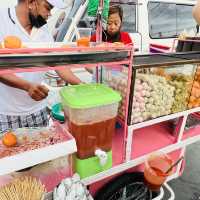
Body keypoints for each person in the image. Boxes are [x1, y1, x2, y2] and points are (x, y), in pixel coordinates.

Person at [0, 0, 82, 133]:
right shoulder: (2, 20)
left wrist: (81, 85)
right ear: (31, 2)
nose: (49, 15)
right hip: (6, 113)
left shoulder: (43, 31)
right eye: (48, 8)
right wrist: (27, 86)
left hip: (37, 112)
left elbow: (57, 63)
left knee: (41, 151)